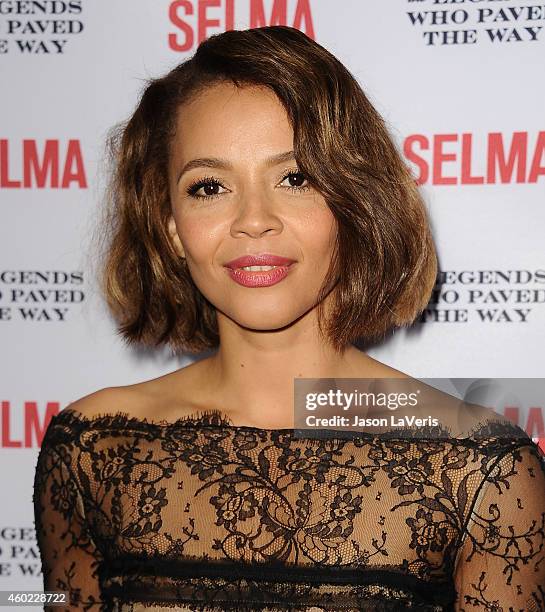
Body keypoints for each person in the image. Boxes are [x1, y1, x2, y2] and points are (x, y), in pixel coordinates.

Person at [33, 25, 545, 612]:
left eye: (294, 178)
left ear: (353, 201)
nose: (254, 219)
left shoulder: (482, 470)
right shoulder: (93, 448)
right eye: (209, 186)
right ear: (172, 226)